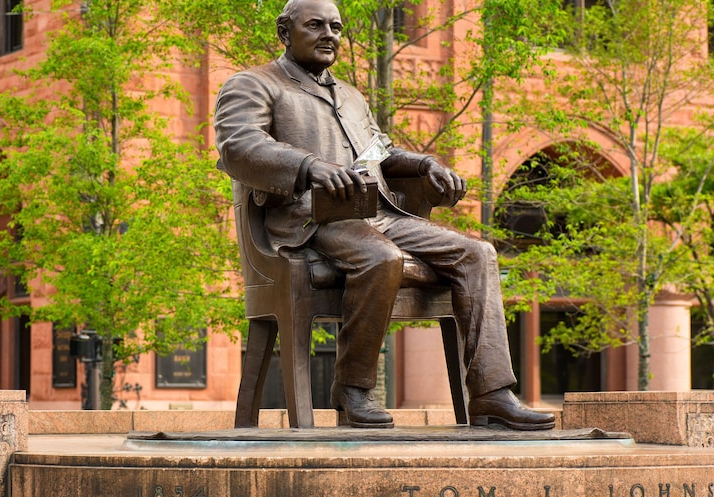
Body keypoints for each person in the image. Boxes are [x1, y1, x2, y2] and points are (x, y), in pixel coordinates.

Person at [214, 0, 554, 430]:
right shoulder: (253, 84)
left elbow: (380, 153)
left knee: (477, 252)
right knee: (382, 257)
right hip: (309, 221)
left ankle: (490, 393)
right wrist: (309, 167)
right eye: (315, 25)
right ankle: (353, 388)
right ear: (284, 32)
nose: (329, 35)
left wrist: (422, 164)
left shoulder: (351, 97)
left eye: (336, 27)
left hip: (379, 214)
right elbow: (239, 147)